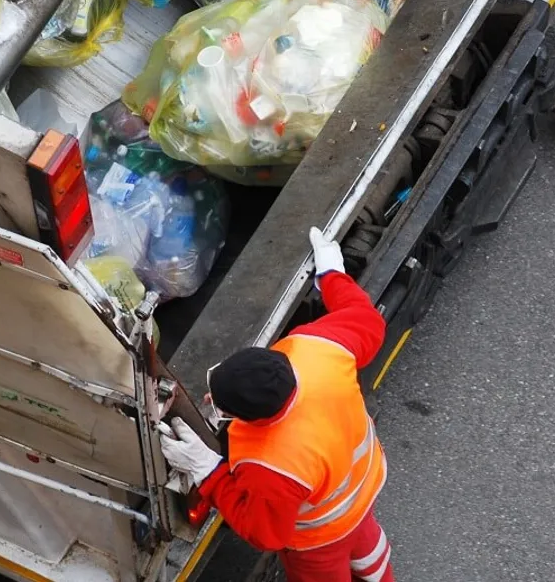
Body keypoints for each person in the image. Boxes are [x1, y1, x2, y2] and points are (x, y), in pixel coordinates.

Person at [159, 227, 395, 582]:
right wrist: (331, 273)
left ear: (255, 420)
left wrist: (208, 471)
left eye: (223, 407)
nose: (209, 401)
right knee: (369, 552)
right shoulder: (315, 348)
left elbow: (266, 533)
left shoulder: (270, 462)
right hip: (363, 489)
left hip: (320, 537)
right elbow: (365, 319)